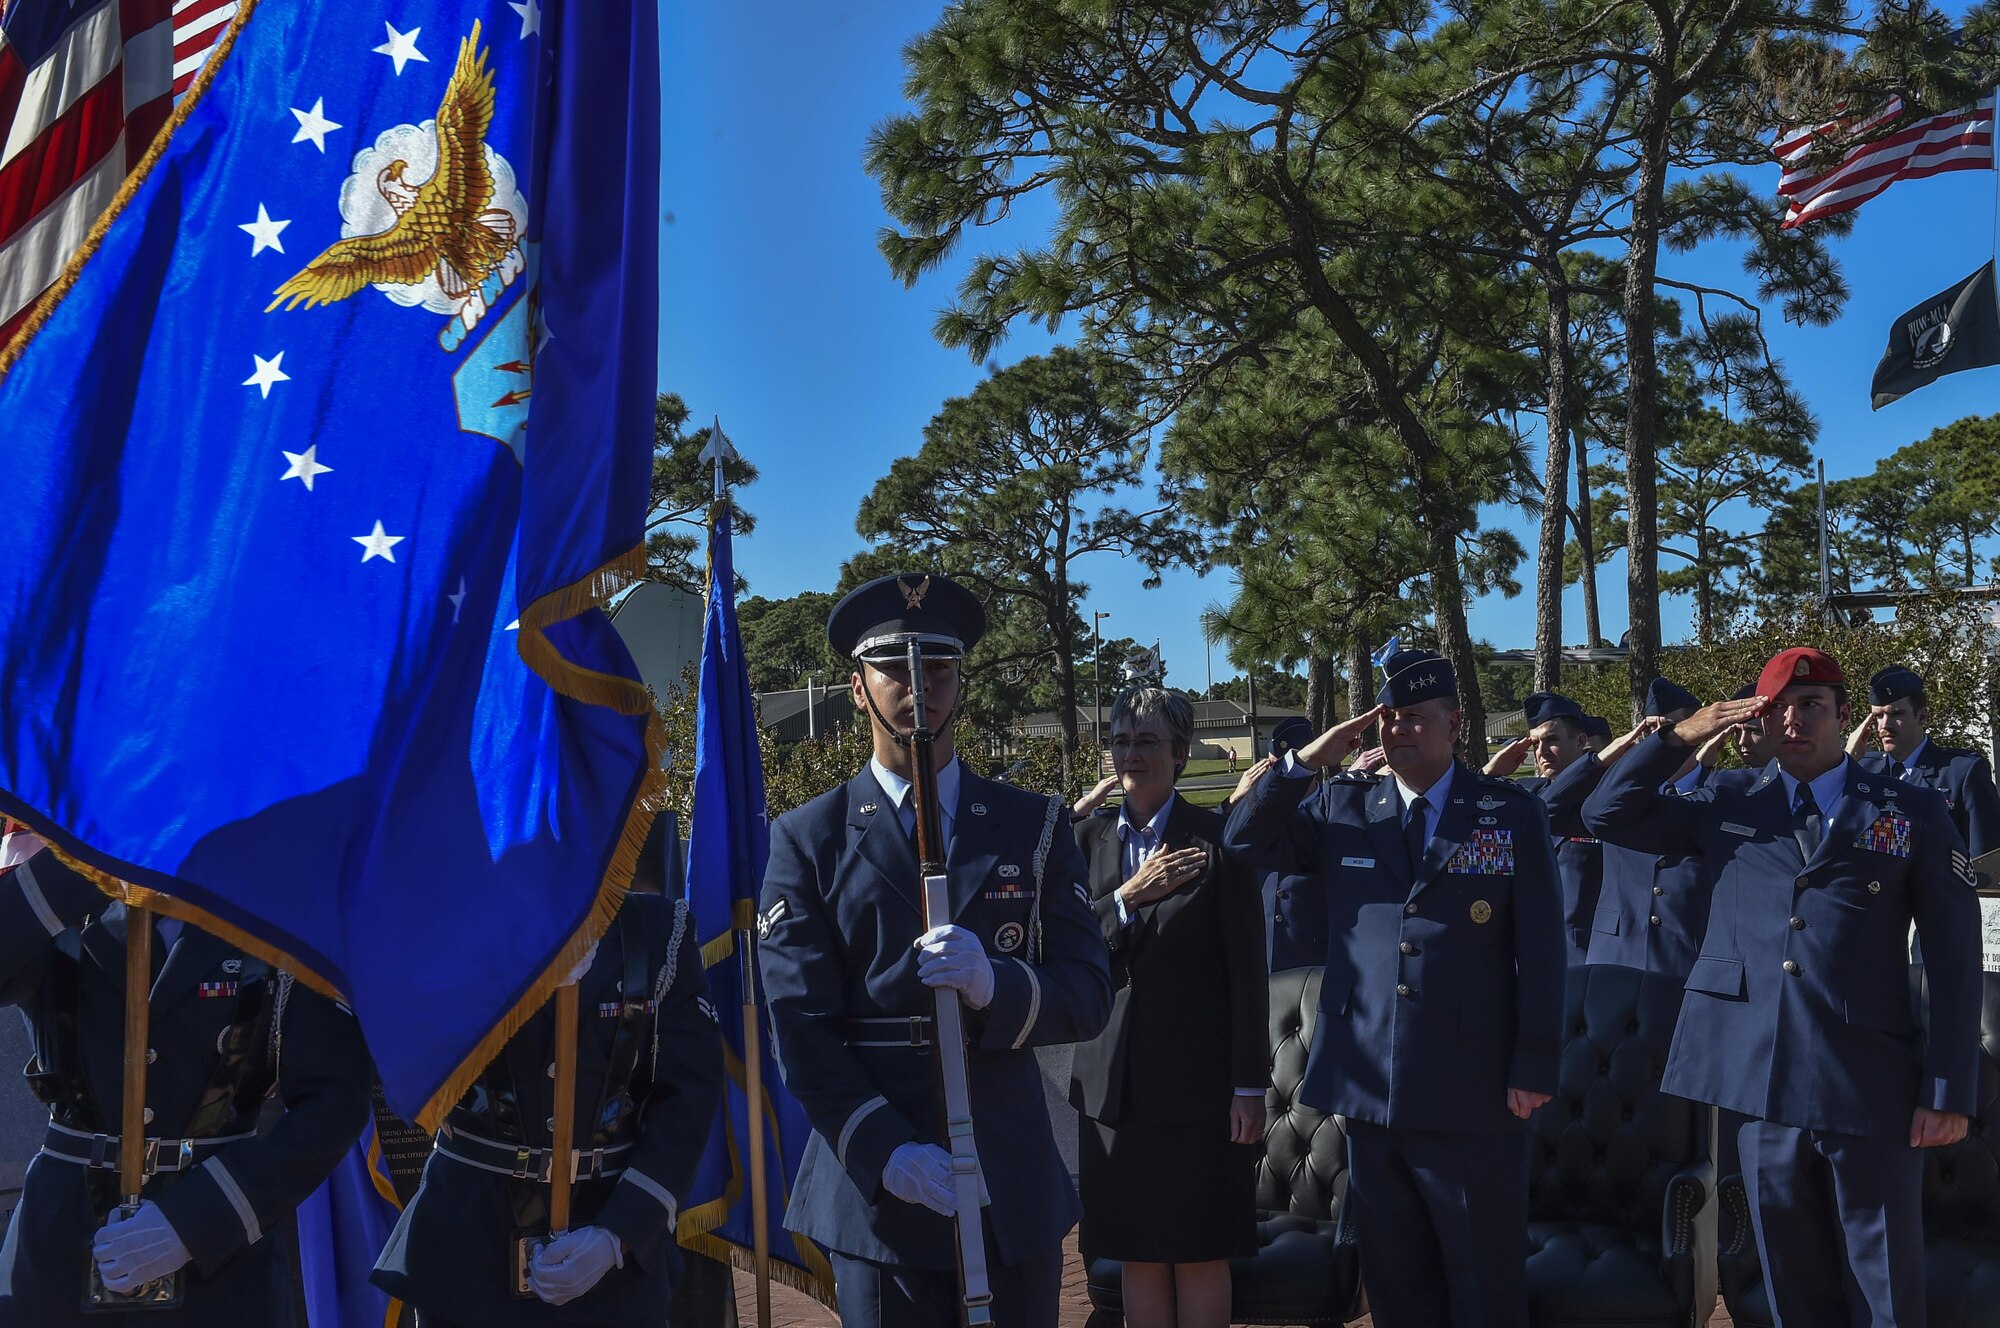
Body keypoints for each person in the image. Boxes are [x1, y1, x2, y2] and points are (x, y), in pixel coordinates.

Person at [1582, 647, 1981, 1326]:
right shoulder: (1727, 800)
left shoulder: (1909, 807)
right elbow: (1605, 814)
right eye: (1778, 709)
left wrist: (1946, 1091)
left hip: (1869, 1085)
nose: (1794, 720)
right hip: (1759, 1088)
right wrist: (1685, 733)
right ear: (1757, 720)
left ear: (1843, 714)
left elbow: (1953, 957)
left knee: (1885, 1289)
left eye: (1812, 706)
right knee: (1792, 1291)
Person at [757, 573, 1113, 1328]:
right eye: (894, 669)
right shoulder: (808, 839)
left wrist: (999, 985)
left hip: (1007, 1171)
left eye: (940, 668)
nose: (919, 686)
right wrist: (883, 1148)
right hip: (882, 1192)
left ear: (962, 683)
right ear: (857, 689)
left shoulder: (1034, 825)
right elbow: (800, 1031)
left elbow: (1087, 988)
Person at [1224, 649, 1563, 1328]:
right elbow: (1241, 841)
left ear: (1453, 723)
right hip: (1369, 1086)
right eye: (1388, 720)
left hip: (1475, 1086)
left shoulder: (1506, 811)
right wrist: (1301, 764)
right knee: (1396, 1282)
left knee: (1483, 1282)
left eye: (1414, 719)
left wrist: (1533, 1063)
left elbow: (1544, 950)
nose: (1397, 731)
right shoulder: (1342, 804)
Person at [0, 848, 372, 1326]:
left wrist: (196, 1222)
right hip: (60, 1256)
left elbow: (333, 1101)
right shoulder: (63, 891)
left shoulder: (276, 912)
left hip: (222, 1272)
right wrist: (81, 851)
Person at [372, 837, 724, 1328]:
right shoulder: (448, 925)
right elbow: (407, 1067)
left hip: (612, 1253)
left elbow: (688, 1098)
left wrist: (620, 1233)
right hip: (470, 1248)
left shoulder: (658, 930)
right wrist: (505, 973)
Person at [1070, 688, 1265, 1328]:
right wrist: (1128, 896)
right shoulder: (1084, 842)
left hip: (1199, 1091)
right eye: (1122, 740)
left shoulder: (1217, 841)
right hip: (1113, 1090)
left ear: (1180, 754)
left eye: (1147, 741)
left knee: (1199, 1252)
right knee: (1138, 1255)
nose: (1131, 753)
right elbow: (1069, 951)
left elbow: (1246, 974)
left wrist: (1247, 1086)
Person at [1487, 690, 1600, 964]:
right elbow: (1465, 811)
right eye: (1535, 743)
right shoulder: (1524, 795)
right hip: (1522, 955)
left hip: (1584, 957)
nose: (1542, 752)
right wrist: (1490, 773)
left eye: (1552, 740)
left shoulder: (1602, 800)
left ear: (1581, 741)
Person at [1848, 665, 2000, 858]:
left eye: (1896, 714)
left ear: (1922, 716)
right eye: (1878, 716)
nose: (1884, 725)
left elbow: (1986, 859)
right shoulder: (1862, 769)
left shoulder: (1963, 772)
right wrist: (1847, 760)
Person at [1260, 716, 1326, 971]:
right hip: (1262, 965)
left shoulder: (1335, 811)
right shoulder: (1253, 817)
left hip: (1318, 961)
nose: (1281, 774)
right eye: (1275, 766)